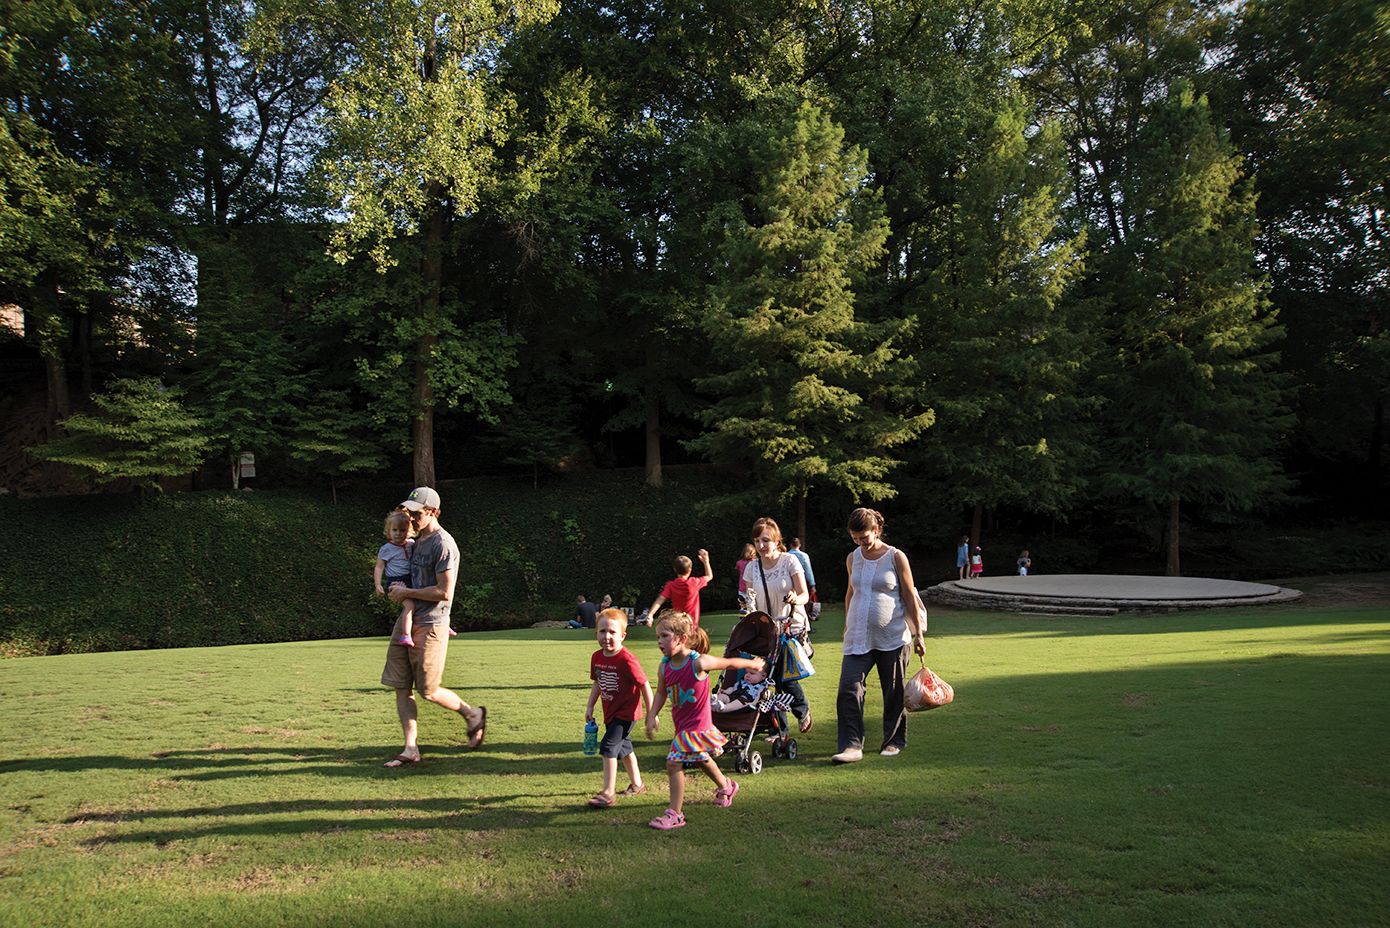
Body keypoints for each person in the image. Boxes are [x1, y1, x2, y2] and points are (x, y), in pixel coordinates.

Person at [380, 487, 487, 767]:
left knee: (428, 690)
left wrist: (407, 594)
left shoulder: (443, 544)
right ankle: (410, 748)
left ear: (432, 512)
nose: (411, 518)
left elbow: (444, 592)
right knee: (401, 686)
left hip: (431, 624)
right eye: (409, 512)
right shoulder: (413, 542)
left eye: (416, 513)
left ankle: (472, 713)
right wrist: (397, 588)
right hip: (408, 621)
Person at [645, 611, 764, 830]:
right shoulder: (665, 666)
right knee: (701, 758)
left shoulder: (699, 663)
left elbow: (727, 663)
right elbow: (661, 692)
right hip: (683, 725)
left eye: (664, 636)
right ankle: (727, 785)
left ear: (681, 638)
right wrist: (652, 714)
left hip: (697, 725)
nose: (660, 642)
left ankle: (675, 814)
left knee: (673, 763)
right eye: (658, 637)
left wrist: (754, 665)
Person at [832, 507, 927, 764]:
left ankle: (894, 740)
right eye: (855, 538)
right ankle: (851, 746)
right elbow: (851, 592)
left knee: (893, 690)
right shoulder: (853, 557)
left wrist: (918, 634)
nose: (860, 543)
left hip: (893, 637)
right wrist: (846, 624)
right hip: (858, 636)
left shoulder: (896, 557)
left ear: (876, 530)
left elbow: (909, 595)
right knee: (848, 689)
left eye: (864, 537)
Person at [741, 516, 813, 734]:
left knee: (782, 677)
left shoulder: (789, 561)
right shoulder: (752, 568)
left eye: (765, 541)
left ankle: (801, 711)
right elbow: (750, 597)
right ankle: (779, 730)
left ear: (776, 540)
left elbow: (805, 594)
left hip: (790, 627)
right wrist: (748, 613)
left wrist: (794, 597)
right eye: (757, 542)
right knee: (767, 679)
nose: (761, 546)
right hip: (764, 630)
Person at [584, 608, 654, 808]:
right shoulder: (596, 657)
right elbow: (597, 682)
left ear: (623, 635)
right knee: (624, 748)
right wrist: (590, 705)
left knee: (608, 747)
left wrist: (651, 713)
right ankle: (638, 784)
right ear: (596, 633)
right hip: (610, 711)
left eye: (612, 632)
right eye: (602, 631)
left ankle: (607, 792)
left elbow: (644, 685)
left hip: (626, 713)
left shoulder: (626, 659)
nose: (607, 636)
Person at [374, 510, 417, 647]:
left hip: (411, 579)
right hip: (396, 581)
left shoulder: (411, 544)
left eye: (402, 530)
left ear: (409, 530)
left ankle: (442, 625)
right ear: (389, 531)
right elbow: (379, 567)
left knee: (429, 596)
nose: (398, 533)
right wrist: (378, 585)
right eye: (395, 530)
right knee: (410, 605)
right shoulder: (386, 549)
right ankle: (405, 635)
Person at [646, 549, 713, 627]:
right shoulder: (694, 583)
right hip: (692, 626)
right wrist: (706, 561)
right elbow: (709, 576)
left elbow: (660, 600)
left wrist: (650, 614)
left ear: (675, 569)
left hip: (678, 625)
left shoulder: (670, 585)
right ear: (690, 570)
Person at [787, 537, 819, 623]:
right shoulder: (804, 556)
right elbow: (808, 571)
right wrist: (812, 585)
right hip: (802, 583)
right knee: (804, 604)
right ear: (799, 545)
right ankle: (805, 622)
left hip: (789, 584)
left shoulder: (786, 556)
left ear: (790, 545)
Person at [735, 543, 756, 614]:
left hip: (742, 588)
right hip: (752, 588)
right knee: (753, 606)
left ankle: (744, 620)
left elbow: (737, 570)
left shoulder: (739, 563)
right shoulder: (755, 562)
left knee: (743, 607)